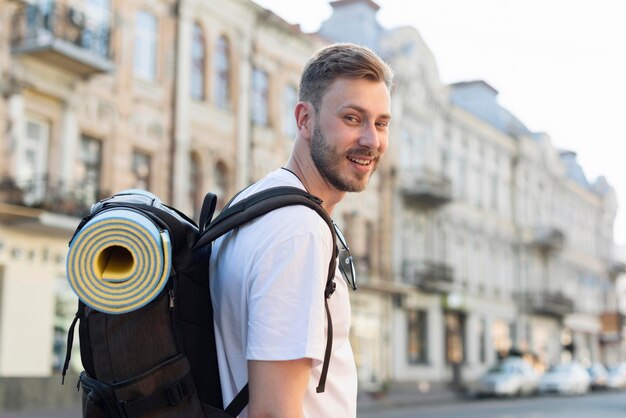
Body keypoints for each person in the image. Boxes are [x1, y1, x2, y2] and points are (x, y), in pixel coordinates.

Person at [209, 42, 393, 418]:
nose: (371, 141)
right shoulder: (299, 231)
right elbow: (273, 412)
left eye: (381, 123)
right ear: (304, 120)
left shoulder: (255, 200)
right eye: (352, 118)